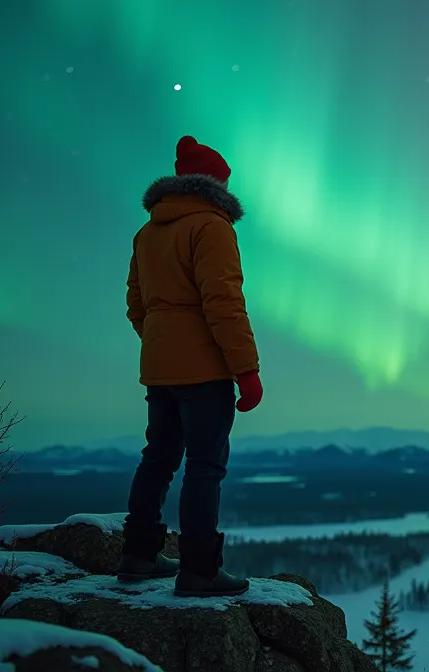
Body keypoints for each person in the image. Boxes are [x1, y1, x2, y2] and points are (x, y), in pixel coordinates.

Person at [116, 135, 264, 597]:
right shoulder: (211, 227)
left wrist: (162, 345)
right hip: (204, 372)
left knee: (158, 458)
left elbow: (136, 305)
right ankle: (199, 569)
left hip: (159, 370)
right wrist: (247, 370)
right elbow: (223, 302)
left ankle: (137, 555)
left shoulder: (148, 232)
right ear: (215, 185)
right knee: (205, 466)